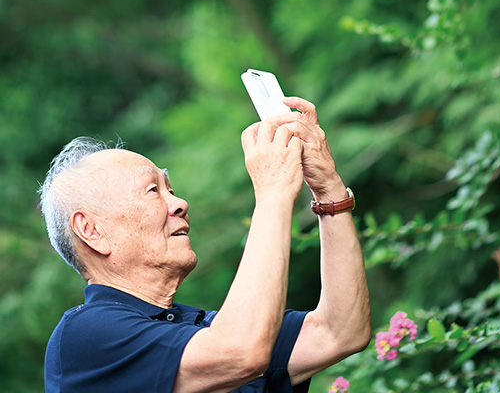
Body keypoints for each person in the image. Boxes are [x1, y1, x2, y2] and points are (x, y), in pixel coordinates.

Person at [39, 96, 371, 393]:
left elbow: (339, 333)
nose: (179, 202)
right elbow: (239, 353)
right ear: (92, 230)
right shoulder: (84, 337)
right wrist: (273, 192)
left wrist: (329, 190)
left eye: (170, 188)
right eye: (153, 191)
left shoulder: (200, 327)